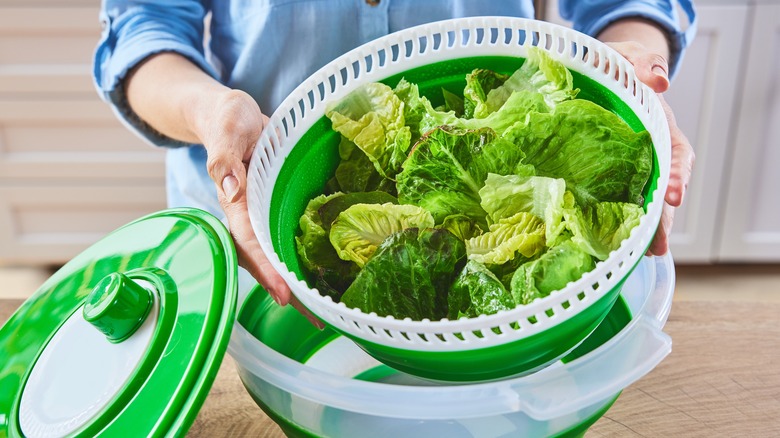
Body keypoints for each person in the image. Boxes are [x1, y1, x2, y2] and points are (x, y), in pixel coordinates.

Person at [93, 1, 696, 312]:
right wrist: (211, 113)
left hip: (508, 158)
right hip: (252, 220)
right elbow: (144, 27)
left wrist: (633, 62)